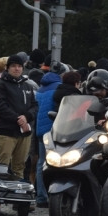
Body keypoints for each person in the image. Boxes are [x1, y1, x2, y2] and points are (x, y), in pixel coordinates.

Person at [0, 53, 38, 185]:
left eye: (19, 66)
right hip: (6, 132)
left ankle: (17, 196)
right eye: (13, 66)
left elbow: (35, 106)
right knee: (2, 166)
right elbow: (0, 106)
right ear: (7, 67)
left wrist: (27, 117)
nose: (17, 69)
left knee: (20, 167)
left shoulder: (27, 85)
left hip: (24, 133)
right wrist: (18, 119)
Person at [33, 70, 62, 208]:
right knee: (56, 163)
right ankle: (55, 194)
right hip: (53, 131)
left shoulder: (40, 90)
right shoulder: (58, 88)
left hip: (40, 131)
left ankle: (41, 196)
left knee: (41, 163)